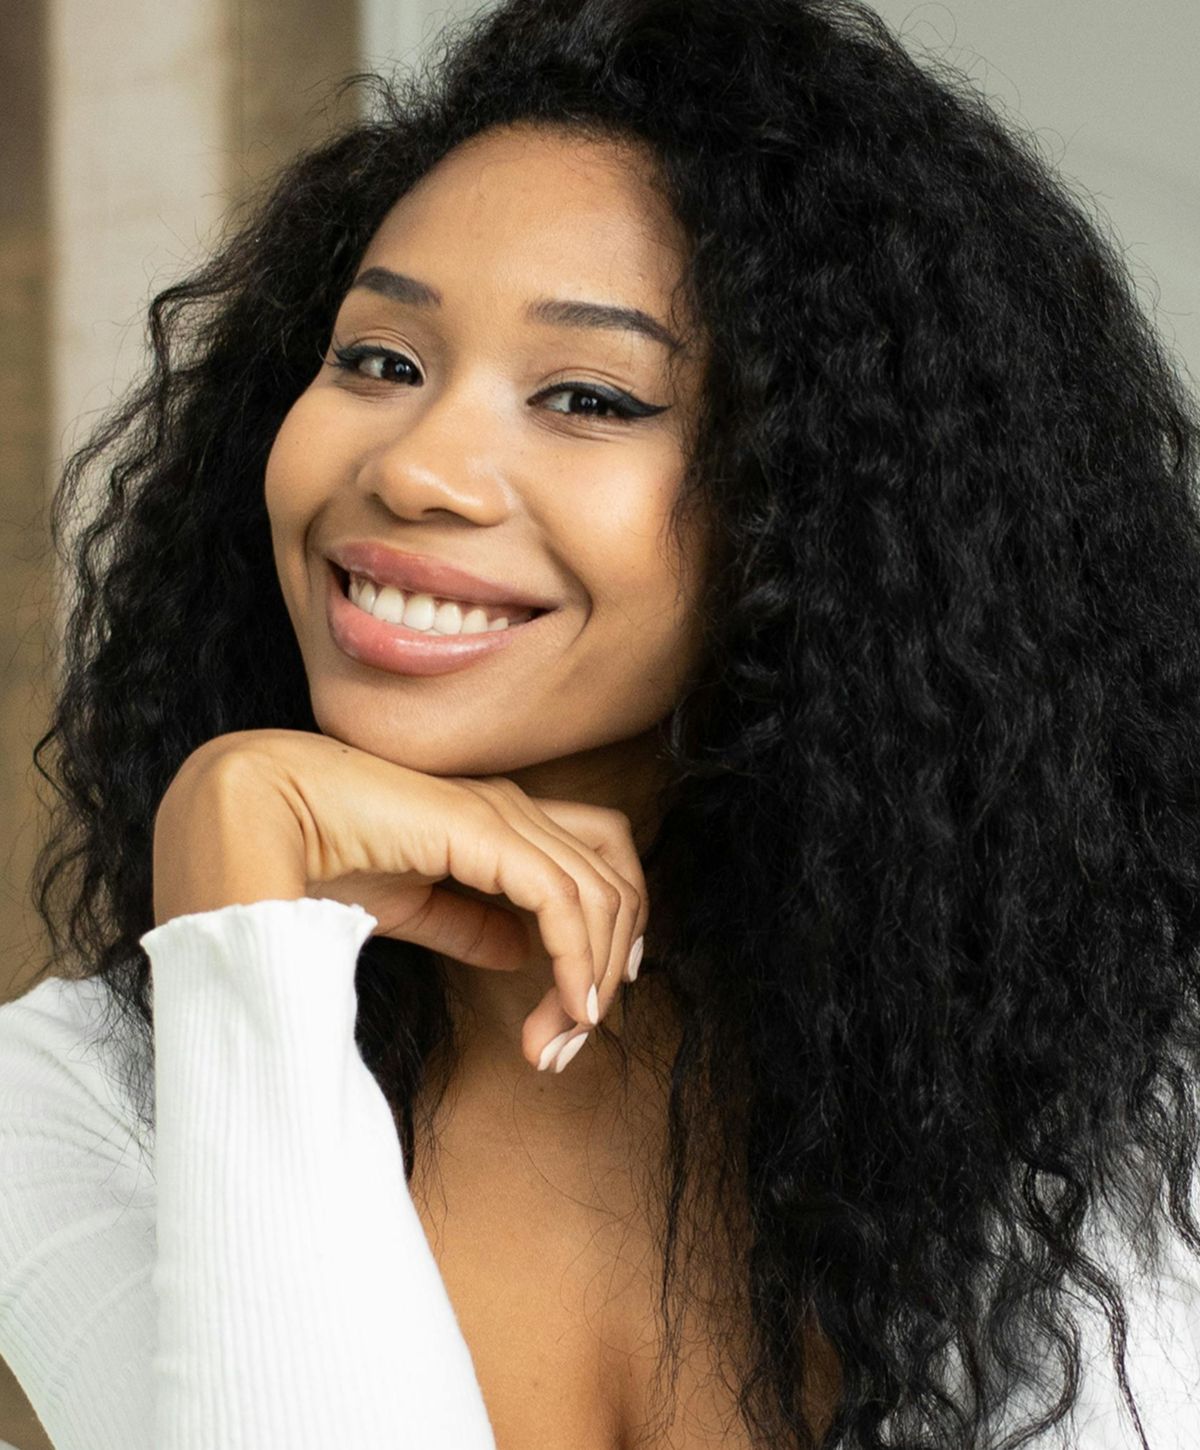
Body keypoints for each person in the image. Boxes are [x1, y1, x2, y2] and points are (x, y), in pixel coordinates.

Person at [3, 0, 1200, 1446]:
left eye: (588, 395)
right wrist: (242, 877)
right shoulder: (70, 1105)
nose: (420, 469)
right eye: (379, 360)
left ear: (824, 506)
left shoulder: (1123, 1097)